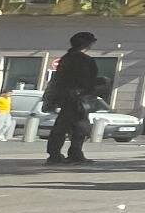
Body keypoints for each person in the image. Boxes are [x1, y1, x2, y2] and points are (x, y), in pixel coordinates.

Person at [43, 32, 107, 165]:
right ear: (87, 44)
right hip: (78, 98)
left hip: (65, 97)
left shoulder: (66, 58)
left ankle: (55, 154)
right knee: (80, 127)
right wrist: (101, 82)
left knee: (62, 126)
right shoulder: (85, 60)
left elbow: (59, 79)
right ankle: (74, 154)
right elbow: (87, 80)